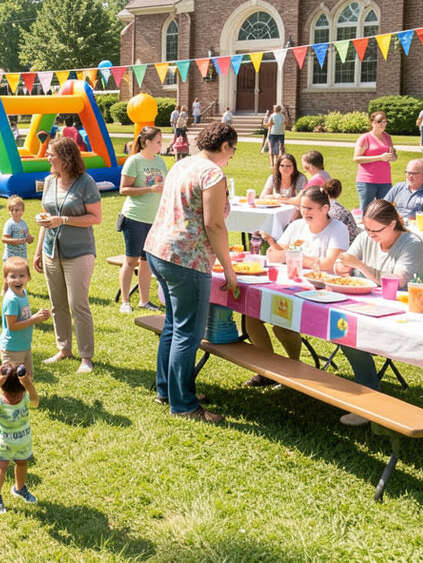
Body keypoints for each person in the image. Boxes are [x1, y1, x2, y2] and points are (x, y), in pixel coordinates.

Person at [145, 123, 238, 423]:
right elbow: (214, 224)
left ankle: (167, 390)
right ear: (224, 146)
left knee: (173, 325)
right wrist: (228, 266)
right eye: (233, 150)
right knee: (188, 332)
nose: (232, 157)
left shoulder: (183, 163)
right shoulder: (213, 173)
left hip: (159, 249)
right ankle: (183, 404)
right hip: (187, 258)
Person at [332, 199, 423, 422]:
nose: (370, 235)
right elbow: (341, 263)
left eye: (376, 230)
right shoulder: (366, 237)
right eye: (367, 228)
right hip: (365, 303)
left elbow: (399, 282)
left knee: (348, 332)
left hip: (403, 309)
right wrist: (343, 265)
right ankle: (369, 394)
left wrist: (360, 266)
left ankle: (369, 399)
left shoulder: (411, 243)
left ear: (393, 224)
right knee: (340, 330)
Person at [248, 187, 350, 385]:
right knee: (251, 316)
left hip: (321, 290)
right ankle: (267, 370)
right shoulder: (297, 226)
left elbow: (329, 264)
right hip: (290, 282)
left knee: (281, 325)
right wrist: (274, 245)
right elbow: (275, 254)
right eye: (303, 208)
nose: (305, 213)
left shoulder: (337, 229)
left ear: (325, 208)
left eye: (310, 208)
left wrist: (295, 257)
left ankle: (292, 366)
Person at [34, 137, 102, 373]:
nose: (47, 158)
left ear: (66, 158)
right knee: (57, 304)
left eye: (52, 154)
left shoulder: (86, 182)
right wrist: (38, 251)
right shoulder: (50, 180)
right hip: (51, 250)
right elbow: (46, 216)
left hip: (79, 252)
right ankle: (64, 348)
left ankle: (86, 356)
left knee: (78, 304)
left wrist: (64, 220)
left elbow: (95, 217)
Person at [117, 127, 166, 314]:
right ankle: (125, 301)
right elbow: (123, 189)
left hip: (154, 220)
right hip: (134, 218)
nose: (161, 145)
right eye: (158, 142)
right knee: (131, 261)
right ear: (146, 142)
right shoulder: (134, 161)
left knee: (147, 262)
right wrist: (150, 189)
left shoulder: (161, 162)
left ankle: (144, 301)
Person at [0, 362, 40, 514]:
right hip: (4, 445)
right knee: (2, 466)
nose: (14, 398)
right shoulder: (0, 403)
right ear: (2, 390)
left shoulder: (26, 399)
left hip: (23, 444)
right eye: (10, 394)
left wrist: (27, 383)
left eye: (17, 394)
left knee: (22, 464)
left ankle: (19, 489)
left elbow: (36, 401)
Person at [0, 256, 52, 371]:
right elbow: (12, 326)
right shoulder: (12, 300)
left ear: (28, 277)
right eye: (13, 276)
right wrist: (34, 319)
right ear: (5, 279)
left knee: (28, 377)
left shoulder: (23, 293)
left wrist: (39, 315)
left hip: (24, 345)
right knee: (12, 383)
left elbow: (23, 317)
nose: (17, 280)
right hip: (12, 348)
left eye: (22, 276)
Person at [353, 110, 397, 210]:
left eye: (385, 121)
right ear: (372, 123)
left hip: (385, 181)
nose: (383, 124)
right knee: (367, 211)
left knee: (384, 211)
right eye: (379, 121)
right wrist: (379, 157)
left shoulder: (387, 137)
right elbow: (356, 158)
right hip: (367, 181)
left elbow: (393, 156)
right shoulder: (365, 138)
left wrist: (392, 156)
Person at [1, 195, 35, 265]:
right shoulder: (9, 224)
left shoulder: (23, 223)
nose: (13, 212)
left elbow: (28, 236)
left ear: (22, 211)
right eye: (11, 210)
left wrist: (30, 239)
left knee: (22, 275)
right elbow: (4, 239)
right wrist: (15, 241)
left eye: (16, 210)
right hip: (10, 257)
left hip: (22, 257)